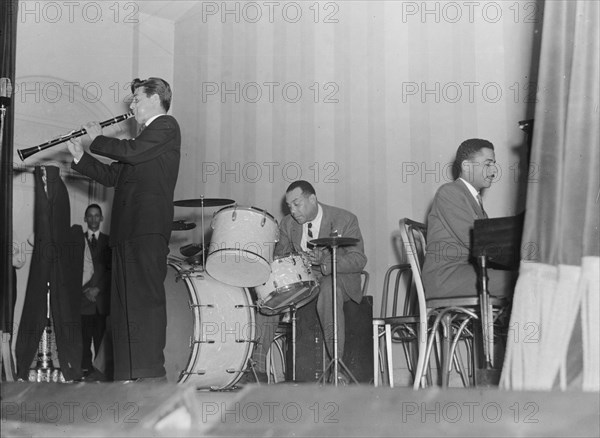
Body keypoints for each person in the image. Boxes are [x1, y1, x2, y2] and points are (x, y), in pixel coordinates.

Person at [67, 77, 180, 381]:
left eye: (137, 99)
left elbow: (129, 152)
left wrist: (98, 139)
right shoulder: (143, 144)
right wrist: (80, 156)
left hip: (146, 229)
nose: (131, 105)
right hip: (126, 233)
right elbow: (112, 175)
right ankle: (128, 377)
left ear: (156, 98)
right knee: (123, 308)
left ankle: (151, 376)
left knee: (144, 302)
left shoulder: (166, 127)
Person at [251, 180, 367, 382]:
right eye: (289, 206)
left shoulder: (345, 219)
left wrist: (326, 263)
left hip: (337, 281)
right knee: (270, 297)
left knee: (329, 291)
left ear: (312, 199)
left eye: (297, 204)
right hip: (305, 284)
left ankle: (336, 367)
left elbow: (359, 259)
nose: (293, 211)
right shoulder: (288, 224)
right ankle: (257, 369)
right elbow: (280, 258)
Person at [422, 138, 516, 299]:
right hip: (447, 277)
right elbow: (475, 242)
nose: (494, 171)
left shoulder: (473, 199)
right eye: (488, 164)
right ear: (466, 166)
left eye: (494, 164)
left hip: (467, 272)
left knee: (524, 278)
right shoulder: (450, 192)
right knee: (523, 281)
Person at [77, 204, 111, 379]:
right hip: (83, 301)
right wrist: (85, 290)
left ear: (101, 218)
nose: (93, 219)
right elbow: (74, 270)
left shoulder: (109, 241)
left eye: (97, 216)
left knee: (101, 339)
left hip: (101, 302)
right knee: (83, 339)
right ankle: (85, 373)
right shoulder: (78, 241)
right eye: (89, 216)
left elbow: (111, 270)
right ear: (85, 218)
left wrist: (98, 289)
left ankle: (101, 375)